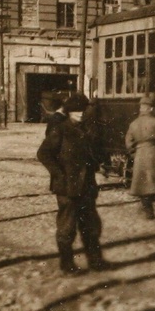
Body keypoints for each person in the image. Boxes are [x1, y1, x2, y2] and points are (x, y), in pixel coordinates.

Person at [36, 93, 109, 274]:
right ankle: (66, 264)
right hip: (67, 187)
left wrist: (97, 162)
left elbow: (92, 155)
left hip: (86, 186)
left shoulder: (87, 130)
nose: (81, 114)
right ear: (69, 112)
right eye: (76, 111)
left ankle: (95, 261)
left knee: (91, 226)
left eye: (83, 110)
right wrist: (58, 174)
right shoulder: (60, 129)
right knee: (67, 227)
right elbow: (43, 153)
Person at [125, 94, 155, 219]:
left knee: (142, 183)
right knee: (153, 182)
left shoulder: (133, 124)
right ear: (151, 108)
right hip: (153, 153)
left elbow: (128, 141)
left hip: (140, 154)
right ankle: (149, 210)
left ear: (140, 108)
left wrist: (134, 153)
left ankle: (146, 209)